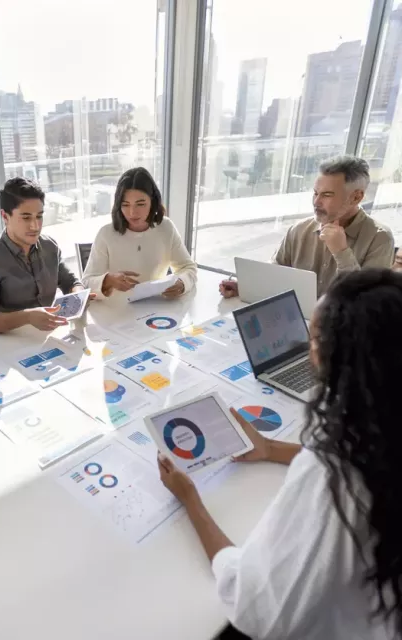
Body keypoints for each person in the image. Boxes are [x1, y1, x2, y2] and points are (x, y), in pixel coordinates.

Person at [160, 268, 402, 639]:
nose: (307, 349)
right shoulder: (382, 428)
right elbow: (371, 458)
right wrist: (272, 448)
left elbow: (256, 606)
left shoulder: (330, 476)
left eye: (316, 338)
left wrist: (191, 499)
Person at [220, 156, 395, 298]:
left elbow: (367, 303)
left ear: (356, 197)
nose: (316, 202)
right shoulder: (299, 229)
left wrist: (341, 252)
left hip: (341, 334)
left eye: (327, 195)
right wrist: (247, 287)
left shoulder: (380, 238)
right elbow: (274, 273)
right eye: (315, 193)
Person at [0, 177, 86, 334]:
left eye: (39, 216)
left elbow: (70, 282)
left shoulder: (50, 246)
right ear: (5, 216)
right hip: (10, 344)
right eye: (26, 217)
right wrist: (27, 317)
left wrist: (78, 295)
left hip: (49, 336)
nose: (35, 226)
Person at [82, 167, 197, 298]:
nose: (132, 213)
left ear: (153, 201)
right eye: (125, 205)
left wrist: (182, 283)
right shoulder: (106, 234)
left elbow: (188, 268)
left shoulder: (166, 228)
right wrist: (108, 280)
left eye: (140, 204)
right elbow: (86, 283)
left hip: (155, 308)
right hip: (116, 313)